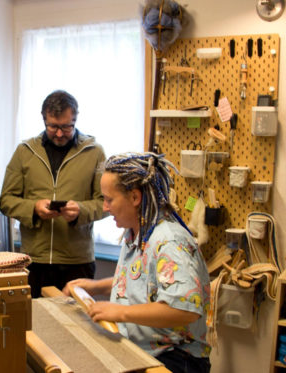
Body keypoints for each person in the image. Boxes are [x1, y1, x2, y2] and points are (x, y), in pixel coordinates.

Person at [64, 152, 211, 373]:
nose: (105, 207)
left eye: (109, 199)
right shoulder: (138, 231)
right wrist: (95, 286)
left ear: (135, 197)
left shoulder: (169, 241)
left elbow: (184, 310)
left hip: (176, 360)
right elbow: (143, 281)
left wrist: (120, 312)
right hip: (144, 351)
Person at [0, 90, 106, 298]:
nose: (59, 134)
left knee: (78, 326)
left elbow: (106, 203)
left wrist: (81, 211)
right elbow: (5, 200)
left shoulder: (94, 152)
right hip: (35, 260)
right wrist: (33, 208)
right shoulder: (25, 151)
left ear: (75, 119)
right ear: (43, 119)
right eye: (53, 127)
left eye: (66, 127)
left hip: (78, 261)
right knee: (36, 326)